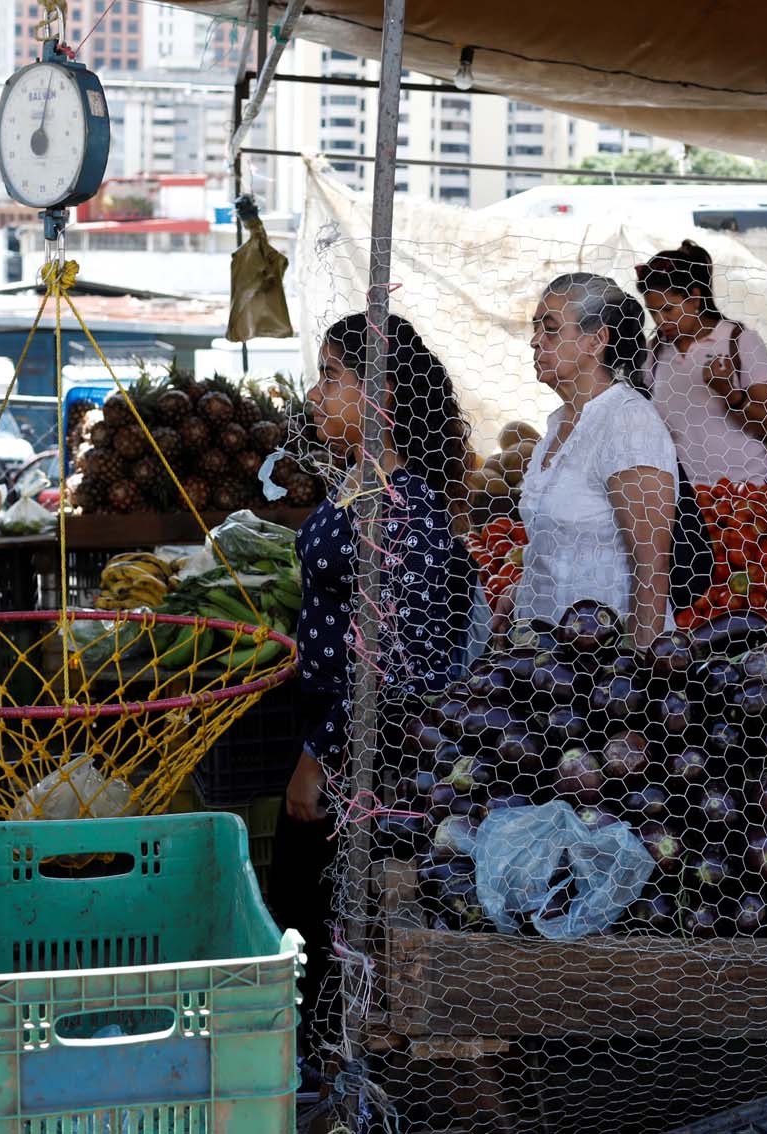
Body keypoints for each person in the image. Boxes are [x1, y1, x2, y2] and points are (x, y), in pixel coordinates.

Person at [274, 312, 472, 1057]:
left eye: (332, 377)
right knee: (307, 921)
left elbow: (402, 658)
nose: (317, 393)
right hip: (332, 728)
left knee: (334, 927)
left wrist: (320, 755)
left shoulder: (405, 507)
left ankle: (339, 1076)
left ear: (380, 394)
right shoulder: (362, 481)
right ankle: (321, 1065)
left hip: (365, 753)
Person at [501, 273, 677, 647]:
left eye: (550, 329)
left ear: (597, 340)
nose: (535, 341)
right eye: (535, 328)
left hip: (603, 658)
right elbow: (564, 543)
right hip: (542, 655)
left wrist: (641, 673)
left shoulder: (628, 423)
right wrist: (517, 593)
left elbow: (651, 566)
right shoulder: (559, 424)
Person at [636, 240, 767, 487]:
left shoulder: (739, 341)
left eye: (669, 309)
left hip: (749, 492)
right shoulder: (655, 353)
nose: (661, 320)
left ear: (695, 297)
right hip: (688, 496)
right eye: (653, 312)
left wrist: (730, 394)